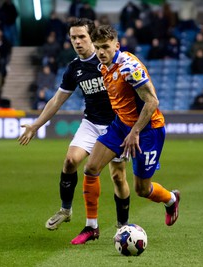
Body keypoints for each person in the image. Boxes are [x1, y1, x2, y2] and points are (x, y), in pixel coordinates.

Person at [70, 24, 180, 245]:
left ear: (116, 46)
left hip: (148, 130)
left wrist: (135, 131)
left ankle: (171, 199)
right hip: (121, 126)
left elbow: (152, 102)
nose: (101, 52)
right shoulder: (103, 66)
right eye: (98, 47)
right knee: (91, 168)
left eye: (106, 47)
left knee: (142, 189)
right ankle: (92, 227)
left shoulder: (130, 67)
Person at [18, 18, 130, 231]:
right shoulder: (74, 68)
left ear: (92, 37)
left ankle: (122, 226)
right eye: (73, 37)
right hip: (91, 122)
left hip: (117, 125)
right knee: (70, 161)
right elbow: (57, 100)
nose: (77, 42)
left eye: (82, 37)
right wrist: (35, 125)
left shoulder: (109, 60)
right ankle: (66, 210)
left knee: (117, 177)